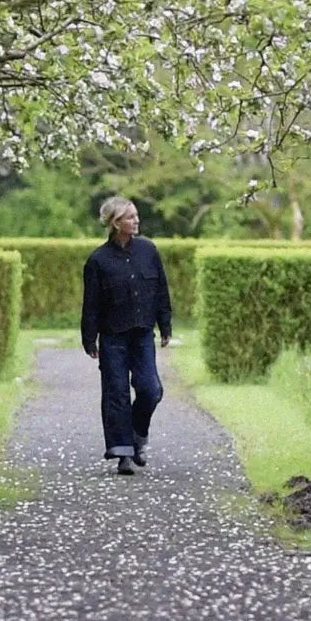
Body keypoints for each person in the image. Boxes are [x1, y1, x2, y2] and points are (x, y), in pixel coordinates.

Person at [81, 196, 172, 475]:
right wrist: (89, 338)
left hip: (143, 333)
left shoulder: (148, 251)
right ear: (115, 223)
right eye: (130, 217)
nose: (136, 221)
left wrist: (165, 325)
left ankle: (137, 435)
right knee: (116, 393)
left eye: (136, 216)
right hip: (112, 337)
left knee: (151, 390)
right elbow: (91, 303)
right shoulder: (98, 260)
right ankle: (123, 454)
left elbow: (161, 291)